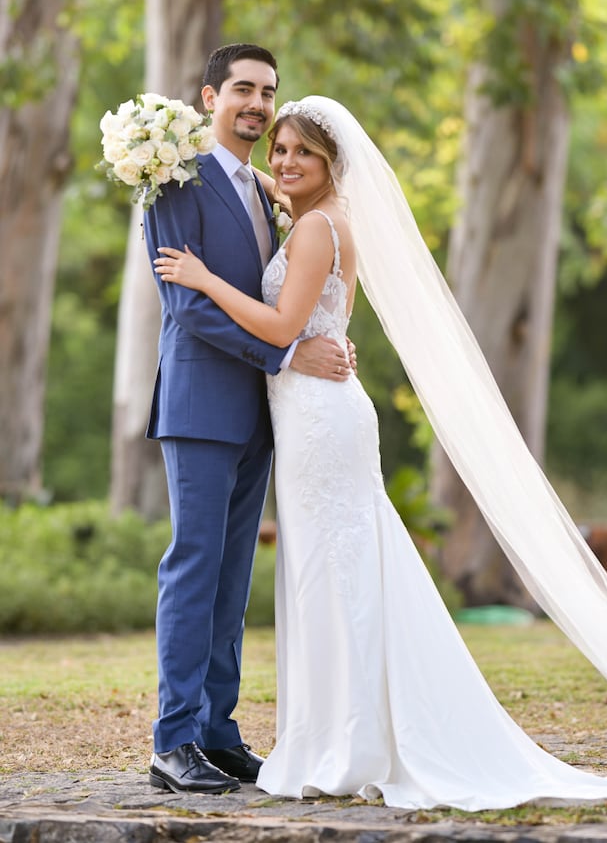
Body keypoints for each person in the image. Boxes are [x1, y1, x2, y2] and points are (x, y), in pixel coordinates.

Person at [154, 96, 607, 807]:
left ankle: (348, 742)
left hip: (321, 421)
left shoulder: (321, 226)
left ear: (332, 164)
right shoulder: (304, 209)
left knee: (334, 574)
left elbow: (284, 321)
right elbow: (248, 183)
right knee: (330, 574)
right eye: (280, 150)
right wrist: (205, 160)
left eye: (303, 153)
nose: (285, 162)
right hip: (308, 417)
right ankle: (337, 732)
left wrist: (204, 281)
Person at [143, 49, 355, 796]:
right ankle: (173, 742)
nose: (258, 104)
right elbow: (188, 306)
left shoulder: (269, 190)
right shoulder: (172, 178)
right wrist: (288, 355)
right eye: (243, 89)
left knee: (233, 582)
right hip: (201, 407)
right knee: (194, 568)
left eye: (268, 91)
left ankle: (218, 732)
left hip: (264, 419)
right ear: (210, 96)